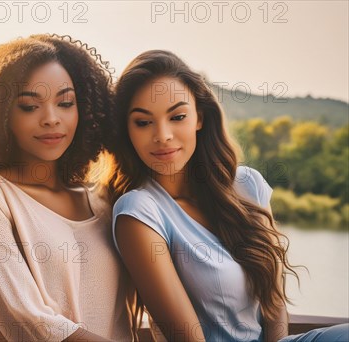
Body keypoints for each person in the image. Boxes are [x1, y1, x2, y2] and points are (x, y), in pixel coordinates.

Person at [108, 50, 349, 342]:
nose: (163, 135)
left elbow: (274, 306)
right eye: (143, 122)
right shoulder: (139, 212)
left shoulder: (247, 185)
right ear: (127, 130)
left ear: (200, 117)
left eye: (178, 116)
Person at [0, 34, 134, 341]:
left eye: (65, 103)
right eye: (29, 106)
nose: (51, 119)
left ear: (85, 109)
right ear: (1, 114)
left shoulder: (103, 202)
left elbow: (123, 316)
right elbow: (25, 318)